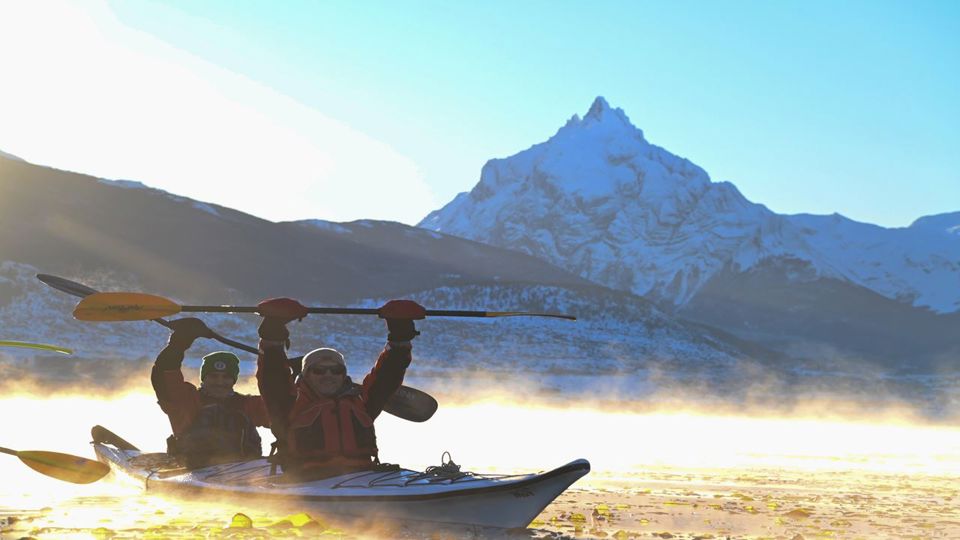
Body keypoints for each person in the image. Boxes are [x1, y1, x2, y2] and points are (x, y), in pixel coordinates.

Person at [255, 297, 424, 480]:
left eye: (336, 370)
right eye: (319, 370)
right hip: (306, 481)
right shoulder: (289, 404)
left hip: (362, 478)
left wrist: (400, 333)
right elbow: (272, 375)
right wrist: (273, 330)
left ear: (343, 375)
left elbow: (388, 375)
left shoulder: (361, 403)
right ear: (306, 376)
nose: (328, 375)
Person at [152, 317, 270, 468]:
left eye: (226, 377)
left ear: (233, 380)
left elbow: (284, 406)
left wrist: (275, 343)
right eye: (213, 376)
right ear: (204, 379)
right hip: (193, 471)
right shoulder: (187, 401)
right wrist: (177, 345)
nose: (219, 382)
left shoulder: (249, 405)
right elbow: (164, 376)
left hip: (244, 473)